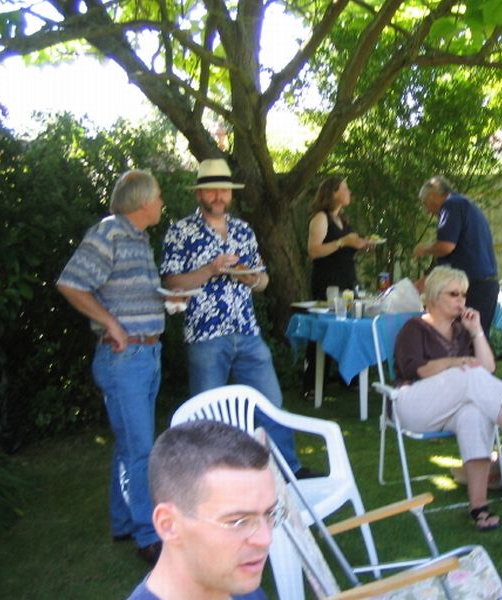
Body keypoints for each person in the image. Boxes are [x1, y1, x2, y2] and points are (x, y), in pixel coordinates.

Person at [160, 158, 315, 479]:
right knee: (206, 415)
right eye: (212, 190)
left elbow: (263, 280)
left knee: (271, 405)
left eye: (225, 190)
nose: (219, 196)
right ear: (199, 194)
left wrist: (252, 279)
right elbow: (171, 282)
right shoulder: (181, 231)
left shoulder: (244, 230)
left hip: (246, 329)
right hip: (205, 334)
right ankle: (208, 480)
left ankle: (290, 470)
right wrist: (210, 269)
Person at [56, 170, 164, 564]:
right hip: (124, 359)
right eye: (159, 196)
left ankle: (123, 522)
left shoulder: (139, 238)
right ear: (143, 202)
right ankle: (148, 536)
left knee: (128, 445)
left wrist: (166, 303)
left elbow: (127, 292)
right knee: (142, 451)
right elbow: (70, 283)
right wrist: (111, 324)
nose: (162, 203)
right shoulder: (109, 233)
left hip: (147, 355)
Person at [393, 266, 502, 531]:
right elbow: (417, 370)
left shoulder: (462, 330)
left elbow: (489, 368)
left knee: (475, 413)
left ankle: (478, 507)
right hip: (413, 405)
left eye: (463, 294)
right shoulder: (414, 328)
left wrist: (476, 331)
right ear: (434, 296)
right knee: (469, 374)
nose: (461, 300)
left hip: (451, 409)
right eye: (454, 294)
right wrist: (456, 362)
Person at [126, 420, 275, 600]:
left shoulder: (236, 584)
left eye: (270, 514)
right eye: (238, 522)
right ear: (169, 525)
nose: (265, 539)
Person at [303, 176, 375, 396]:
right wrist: (343, 242)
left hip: (347, 281)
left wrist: (363, 245)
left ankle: (349, 378)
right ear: (332, 193)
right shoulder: (320, 218)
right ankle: (312, 385)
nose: (349, 191)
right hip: (328, 283)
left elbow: (345, 248)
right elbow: (314, 251)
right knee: (324, 330)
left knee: (351, 328)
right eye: (345, 188)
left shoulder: (342, 219)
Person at [414, 176, 499, 337]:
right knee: (477, 339)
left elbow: (446, 247)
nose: (427, 210)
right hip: (485, 284)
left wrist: (424, 249)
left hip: (473, 286)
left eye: (425, 203)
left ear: (432, 196)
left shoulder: (451, 205)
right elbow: (454, 255)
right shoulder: (464, 204)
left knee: (467, 340)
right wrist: (428, 278)